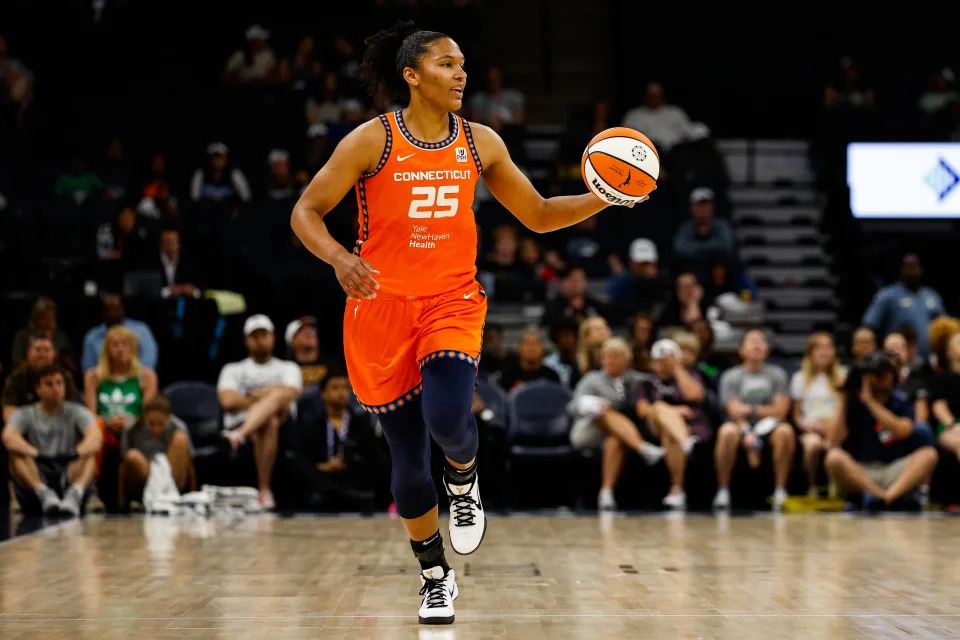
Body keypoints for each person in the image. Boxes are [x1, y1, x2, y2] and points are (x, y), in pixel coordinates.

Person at [289, 21, 653, 625]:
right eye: (445, 65)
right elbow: (305, 210)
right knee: (406, 461)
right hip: (378, 308)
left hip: (450, 302)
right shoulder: (370, 141)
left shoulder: (480, 141)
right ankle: (435, 576)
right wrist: (338, 259)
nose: (461, 75)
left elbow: (536, 213)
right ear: (411, 76)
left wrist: (605, 196)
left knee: (448, 420)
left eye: (462, 65)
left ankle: (465, 478)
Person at [826, 350, 938, 509]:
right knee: (834, 457)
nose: (880, 376)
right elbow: (832, 441)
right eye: (874, 372)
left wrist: (870, 402)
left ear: (893, 375)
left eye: (885, 372)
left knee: (929, 455)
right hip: (861, 471)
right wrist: (843, 396)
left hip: (894, 471)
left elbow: (903, 431)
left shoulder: (901, 400)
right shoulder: (851, 402)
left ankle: (886, 497)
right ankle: (879, 496)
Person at [569, 337, 665, 511]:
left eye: (616, 356)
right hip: (588, 430)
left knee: (615, 441)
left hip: (619, 434)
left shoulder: (635, 380)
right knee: (605, 412)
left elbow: (656, 383)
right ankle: (643, 448)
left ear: (626, 360)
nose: (610, 361)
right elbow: (574, 406)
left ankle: (606, 493)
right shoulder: (592, 379)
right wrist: (595, 404)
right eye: (606, 356)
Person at [218, 315, 302, 510]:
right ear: (246, 340)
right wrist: (269, 396)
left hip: (285, 426)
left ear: (273, 337)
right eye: (254, 336)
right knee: (268, 420)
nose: (260, 340)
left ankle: (238, 437)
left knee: (278, 401)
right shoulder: (233, 369)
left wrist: (254, 396)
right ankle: (264, 490)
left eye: (264, 335)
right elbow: (228, 401)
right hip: (243, 421)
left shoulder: (288, 367)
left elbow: (291, 393)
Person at [2, 365, 102, 517]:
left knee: (89, 454)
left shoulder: (77, 411)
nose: (55, 388)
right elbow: (8, 437)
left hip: (68, 467)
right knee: (16, 454)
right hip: (38, 470)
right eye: (49, 384)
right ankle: (43, 492)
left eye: (59, 383)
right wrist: (36, 453)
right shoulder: (25, 413)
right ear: (38, 389)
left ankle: (75, 494)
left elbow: (95, 437)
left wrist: (76, 453)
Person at [714, 330, 796, 511]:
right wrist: (747, 431)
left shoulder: (777, 375)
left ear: (767, 350)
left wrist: (751, 410)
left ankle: (780, 490)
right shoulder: (731, 376)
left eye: (761, 342)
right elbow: (733, 410)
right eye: (752, 342)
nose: (757, 345)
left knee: (785, 431)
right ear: (741, 350)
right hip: (740, 426)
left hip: (770, 426)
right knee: (726, 432)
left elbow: (781, 410)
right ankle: (723, 490)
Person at [83, 325, 159, 511]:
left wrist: (130, 422)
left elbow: (149, 414)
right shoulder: (93, 376)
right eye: (114, 344)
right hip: (105, 432)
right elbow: (89, 414)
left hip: (135, 431)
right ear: (106, 349)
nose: (120, 348)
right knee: (95, 427)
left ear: (132, 348)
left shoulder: (146, 376)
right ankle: (91, 492)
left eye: (124, 344)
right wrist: (108, 423)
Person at [288, 372, 381, 511]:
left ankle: (339, 495)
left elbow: (373, 455)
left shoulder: (360, 422)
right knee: (294, 463)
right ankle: (340, 495)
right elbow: (302, 456)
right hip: (323, 476)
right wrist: (322, 467)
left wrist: (352, 460)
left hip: (353, 477)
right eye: (335, 388)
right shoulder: (312, 424)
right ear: (323, 394)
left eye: (345, 388)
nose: (341, 392)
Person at [634, 339, 709, 510]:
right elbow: (642, 410)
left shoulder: (691, 375)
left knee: (669, 434)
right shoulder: (646, 383)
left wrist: (677, 367)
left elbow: (694, 395)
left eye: (667, 361)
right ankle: (687, 443)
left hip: (690, 425)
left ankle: (677, 490)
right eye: (659, 361)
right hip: (655, 425)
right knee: (660, 408)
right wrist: (673, 411)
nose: (663, 365)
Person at [789, 333, 846, 496]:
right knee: (812, 445)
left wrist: (830, 426)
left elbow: (845, 409)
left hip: (836, 427)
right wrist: (806, 425)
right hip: (811, 428)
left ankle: (836, 487)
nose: (824, 352)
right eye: (819, 347)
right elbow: (797, 415)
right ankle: (812, 485)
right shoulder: (799, 378)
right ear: (810, 352)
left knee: (832, 445)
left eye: (828, 347)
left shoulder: (842, 376)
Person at [118, 395, 195, 509]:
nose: (156, 429)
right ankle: (149, 499)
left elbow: (189, 464)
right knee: (132, 456)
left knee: (180, 438)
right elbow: (123, 466)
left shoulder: (179, 427)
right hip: (145, 477)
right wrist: (121, 502)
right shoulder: (131, 428)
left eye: (160, 424)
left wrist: (194, 494)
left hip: (171, 476)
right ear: (145, 417)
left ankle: (168, 497)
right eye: (151, 423)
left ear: (169, 419)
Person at [862, 253, 944, 358]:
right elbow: (868, 325)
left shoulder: (932, 295)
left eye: (915, 266)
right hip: (897, 358)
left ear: (921, 269)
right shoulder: (888, 295)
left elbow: (944, 327)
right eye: (908, 267)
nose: (912, 271)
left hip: (931, 359)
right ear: (901, 270)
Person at [3, 333, 78, 423]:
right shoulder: (17, 377)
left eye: (46, 350)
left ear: (54, 354)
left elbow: (72, 409)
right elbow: (9, 410)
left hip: (58, 426)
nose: (42, 354)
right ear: (29, 353)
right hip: (25, 428)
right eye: (38, 350)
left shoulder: (64, 376)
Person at [81, 293, 159, 372]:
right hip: (104, 381)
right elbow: (88, 369)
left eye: (116, 308)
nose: (120, 349)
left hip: (136, 379)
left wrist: (126, 378)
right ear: (103, 311)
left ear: (122, 309)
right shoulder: (92, 337)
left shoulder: (141, 330)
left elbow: (149, 361)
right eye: (109, 308)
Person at [10, 297, 76, 372]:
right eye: (45, 317)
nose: (49, 321)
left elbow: (73, 367)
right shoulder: (23, 336)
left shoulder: (61, 338)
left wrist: (60, 359)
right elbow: (16, 361)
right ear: (36, 318)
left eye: (51, 317)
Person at [285, 316, 334, 388]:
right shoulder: (284, 368)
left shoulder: (333, 366)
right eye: (302, 331)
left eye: (312, 330)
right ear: (292, 340)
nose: (310, 332)